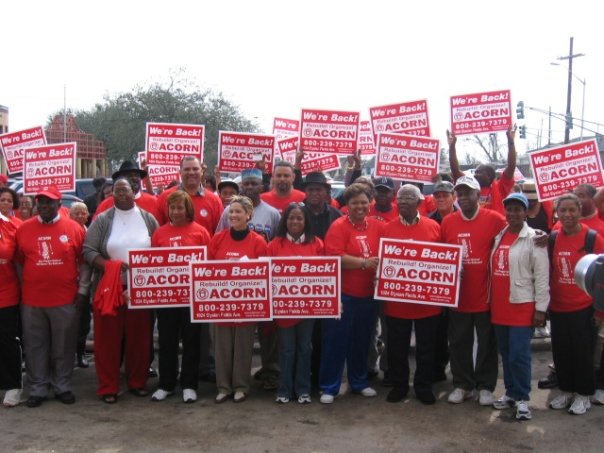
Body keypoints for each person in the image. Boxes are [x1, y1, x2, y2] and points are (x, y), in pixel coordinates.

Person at [83, 178, 159, 403]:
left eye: (125, 190)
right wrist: (109, 265)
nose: (121, 194)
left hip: (140, 288)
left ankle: (137, 382)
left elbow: (159, 247)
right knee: (107, 339)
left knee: (140, 338)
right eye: (117, 191)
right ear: (111, 195)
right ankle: (108, 387)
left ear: (135, 191)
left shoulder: (148, 218)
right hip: (109, 287)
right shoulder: (102, 220)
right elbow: (88, 250)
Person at [16, 186, 86, 408]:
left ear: (59, 205)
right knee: (35, 346)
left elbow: (84, 264)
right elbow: (19, 263)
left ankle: (62, 386)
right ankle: (38, 388)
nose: (45, 206)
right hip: (32, 300)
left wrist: (82, 290)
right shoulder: (24, 229)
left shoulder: (74, 228)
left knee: (63, 346)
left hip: (65, 298)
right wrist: (22, 290)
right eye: (41, 202)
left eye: (50, 202)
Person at [440, 176, 507, 406]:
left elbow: (514, 239)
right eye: (460, 193)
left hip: (486, 295)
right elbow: (439, 255)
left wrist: (537, 235)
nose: (464, 197)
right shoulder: (448, 222)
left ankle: (486, 386)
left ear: (479, 195)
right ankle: (462, 384)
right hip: (458, 296)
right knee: (459, 342)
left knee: (487, 343)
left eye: (469, 192)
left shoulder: (496, 219)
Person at [217, 168, 281, 390]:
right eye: (247, 184)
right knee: (227, 340)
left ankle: (268, 372)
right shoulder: (225, 220)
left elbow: (276, 247)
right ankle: (226, 383)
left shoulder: (273, 213)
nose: (251, 187)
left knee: (265, 334)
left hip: (257, 292)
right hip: (227, 293)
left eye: (255, 183)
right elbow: (212, 259)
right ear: (241, 186)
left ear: (262, 186)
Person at [320, 183, 382, 404]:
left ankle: (359, 382)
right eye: (355, 202)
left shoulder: (376, 226)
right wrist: (364, 263)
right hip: (343, 295)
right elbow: (334, 256)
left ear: (370, 203)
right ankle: (330, 386)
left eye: (364, 202)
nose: (360, 206)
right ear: (346, 205)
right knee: (336, 342)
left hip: (368, 296)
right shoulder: (338, 226)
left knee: (361, 341)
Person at [490, 193, 550, 421]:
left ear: (526, 212)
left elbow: (542, 276)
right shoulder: (500, 235)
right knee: (506, 353)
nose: (513, 213)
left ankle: (524, 398)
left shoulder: (534, 238)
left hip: (522, 305)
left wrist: (541, 308)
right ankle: (511, 393)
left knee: (519, 355)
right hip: (500, 306)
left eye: (518, 209)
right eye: (510, 209)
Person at [382, 184, 441, 405]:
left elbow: (444, 260)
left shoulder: (434, 227)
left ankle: (424, 386)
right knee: (397, 348)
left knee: (426, 348)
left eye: (409, 198)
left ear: (419, 203)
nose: (404, 202)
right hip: (397, 302)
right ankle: (399, 385)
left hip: (428, 303)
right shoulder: (387, 229)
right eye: (400, 198)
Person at [150, 191, 211, 404]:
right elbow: (152, 266)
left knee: (192, 342)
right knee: (167, 342)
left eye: (179, 208)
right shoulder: (159, 233)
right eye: (172, 208)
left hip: (191, 299)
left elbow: (207, 265)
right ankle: (166, 384)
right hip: (167, 299)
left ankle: (189, 385)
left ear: (188, 210)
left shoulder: (200, 232)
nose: (175, 212)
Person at [548, 193, 604, 415]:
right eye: (563, 211)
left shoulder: (593, 238)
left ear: (580, 212)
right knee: (561, 352)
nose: (568, 215)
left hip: (584, 308)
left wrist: (600, 310)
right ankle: (566, 389)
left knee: (583, 354)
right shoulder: (552, 238)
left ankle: (584, 394)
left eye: (572, 210)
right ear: (557, 214)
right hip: (558, 307)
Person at [209, 195, 268, 403]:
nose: (233, 215)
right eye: (231, 212)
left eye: (238, 212)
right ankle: (223, 387)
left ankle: (241, 386)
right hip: (221, 304)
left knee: (243, 347)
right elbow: (207, 270)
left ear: (248, 215)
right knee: (222, 346)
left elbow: (263, 274)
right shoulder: (217, 239)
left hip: (246, 306)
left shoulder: (259, 242)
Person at [268, 203, 324, 404]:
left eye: (299, 218)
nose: (295, 222)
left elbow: (325, 276)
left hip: (308, 309)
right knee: (286, 349)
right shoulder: (274, 244)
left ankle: (303, 389)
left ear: (306, 221)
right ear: (285, 220)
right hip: (284, 309)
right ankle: (284, 390)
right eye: (291, 218)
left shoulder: (317, 243)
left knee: (304, 348)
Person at [301, 171, 342, 388]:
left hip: (329, 286)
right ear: (305, 193)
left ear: (326, 192)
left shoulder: (336, 215)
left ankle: (319, 379)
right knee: (302, 337)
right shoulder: (296, 214)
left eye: (318, 189)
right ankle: (302, 378)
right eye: (310, 189)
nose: (314, 193)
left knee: (323, 337)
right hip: (300, 285)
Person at [447, 126, 516, 215]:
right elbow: (455, 170)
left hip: (495, 227)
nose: (475, 175)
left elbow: (511, 166)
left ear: (489, 175)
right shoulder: (469, 186)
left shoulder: (500, 188)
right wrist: (452, 146)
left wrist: (511, 141)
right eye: (475, 172)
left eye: (479, 172)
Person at [428, 180, 457, 382]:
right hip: (436, 284)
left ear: (453, 197)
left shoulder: (462, 217)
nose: (440, 199)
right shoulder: (430, 220)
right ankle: (438, 368)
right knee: (437, 331)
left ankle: (460, 373)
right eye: (437, 195)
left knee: (458, 332)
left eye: (445, 195)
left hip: (462, 283)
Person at [156, 157, 223, 235]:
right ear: (180, 172)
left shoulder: (214, 200)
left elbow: (220, 235)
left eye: (195, 169)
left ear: (201, 171)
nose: (191, 172)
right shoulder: (165, 197)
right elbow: (157, 229)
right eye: (187, 169)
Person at [0, 211, 22, 407]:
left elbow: (20, 260)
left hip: (6, 293)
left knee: (6, 339)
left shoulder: (11, 226)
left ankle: (13, 384)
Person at [95, 161, 159, 221]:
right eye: (129, 176)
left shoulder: (154, 202)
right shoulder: (106, 205)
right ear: (120, 180)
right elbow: (96, 230)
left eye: (136, 175)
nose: (134, 178)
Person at [69, 202, 91, 368]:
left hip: (86, 281)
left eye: (83, 213)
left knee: (83, 320)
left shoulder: (90, 232)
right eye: (77, 213)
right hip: (70, 281)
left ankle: (80, 352)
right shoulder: (67, 232)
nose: (80, 216)